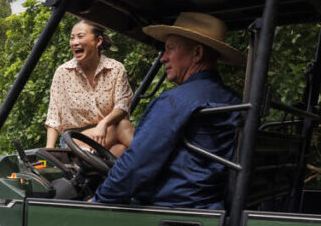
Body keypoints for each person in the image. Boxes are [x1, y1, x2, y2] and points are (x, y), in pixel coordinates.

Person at [92, 12, 244, 210]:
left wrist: (99, 200)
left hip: (172, 213)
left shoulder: (176, 101)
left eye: (170, 49)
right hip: (210, 206)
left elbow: (137, 165)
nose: (163, 58)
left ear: (197, 54)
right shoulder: (232, 99)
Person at [45, 20, 134, 156]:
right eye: (72, 38)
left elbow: (122, 104)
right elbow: (53, 117)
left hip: (107, 135)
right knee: (122, 125)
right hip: (76, 139)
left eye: (80, 36)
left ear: (98, 41)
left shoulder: (115, 68)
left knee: (121, 150)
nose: (74, 42)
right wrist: (49, 152)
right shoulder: (63, 72)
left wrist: (103, 123)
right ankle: (156, 161)